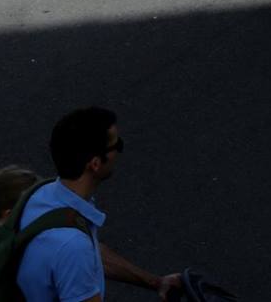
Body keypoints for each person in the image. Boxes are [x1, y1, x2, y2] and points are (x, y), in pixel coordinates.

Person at [15, 108, 181, 302]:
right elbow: (76, 254)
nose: (119, 151)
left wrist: (156, 282)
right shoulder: (73, 246)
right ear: (95, 164)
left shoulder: (42, 195)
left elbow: (92, 255)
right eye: (117, 145)